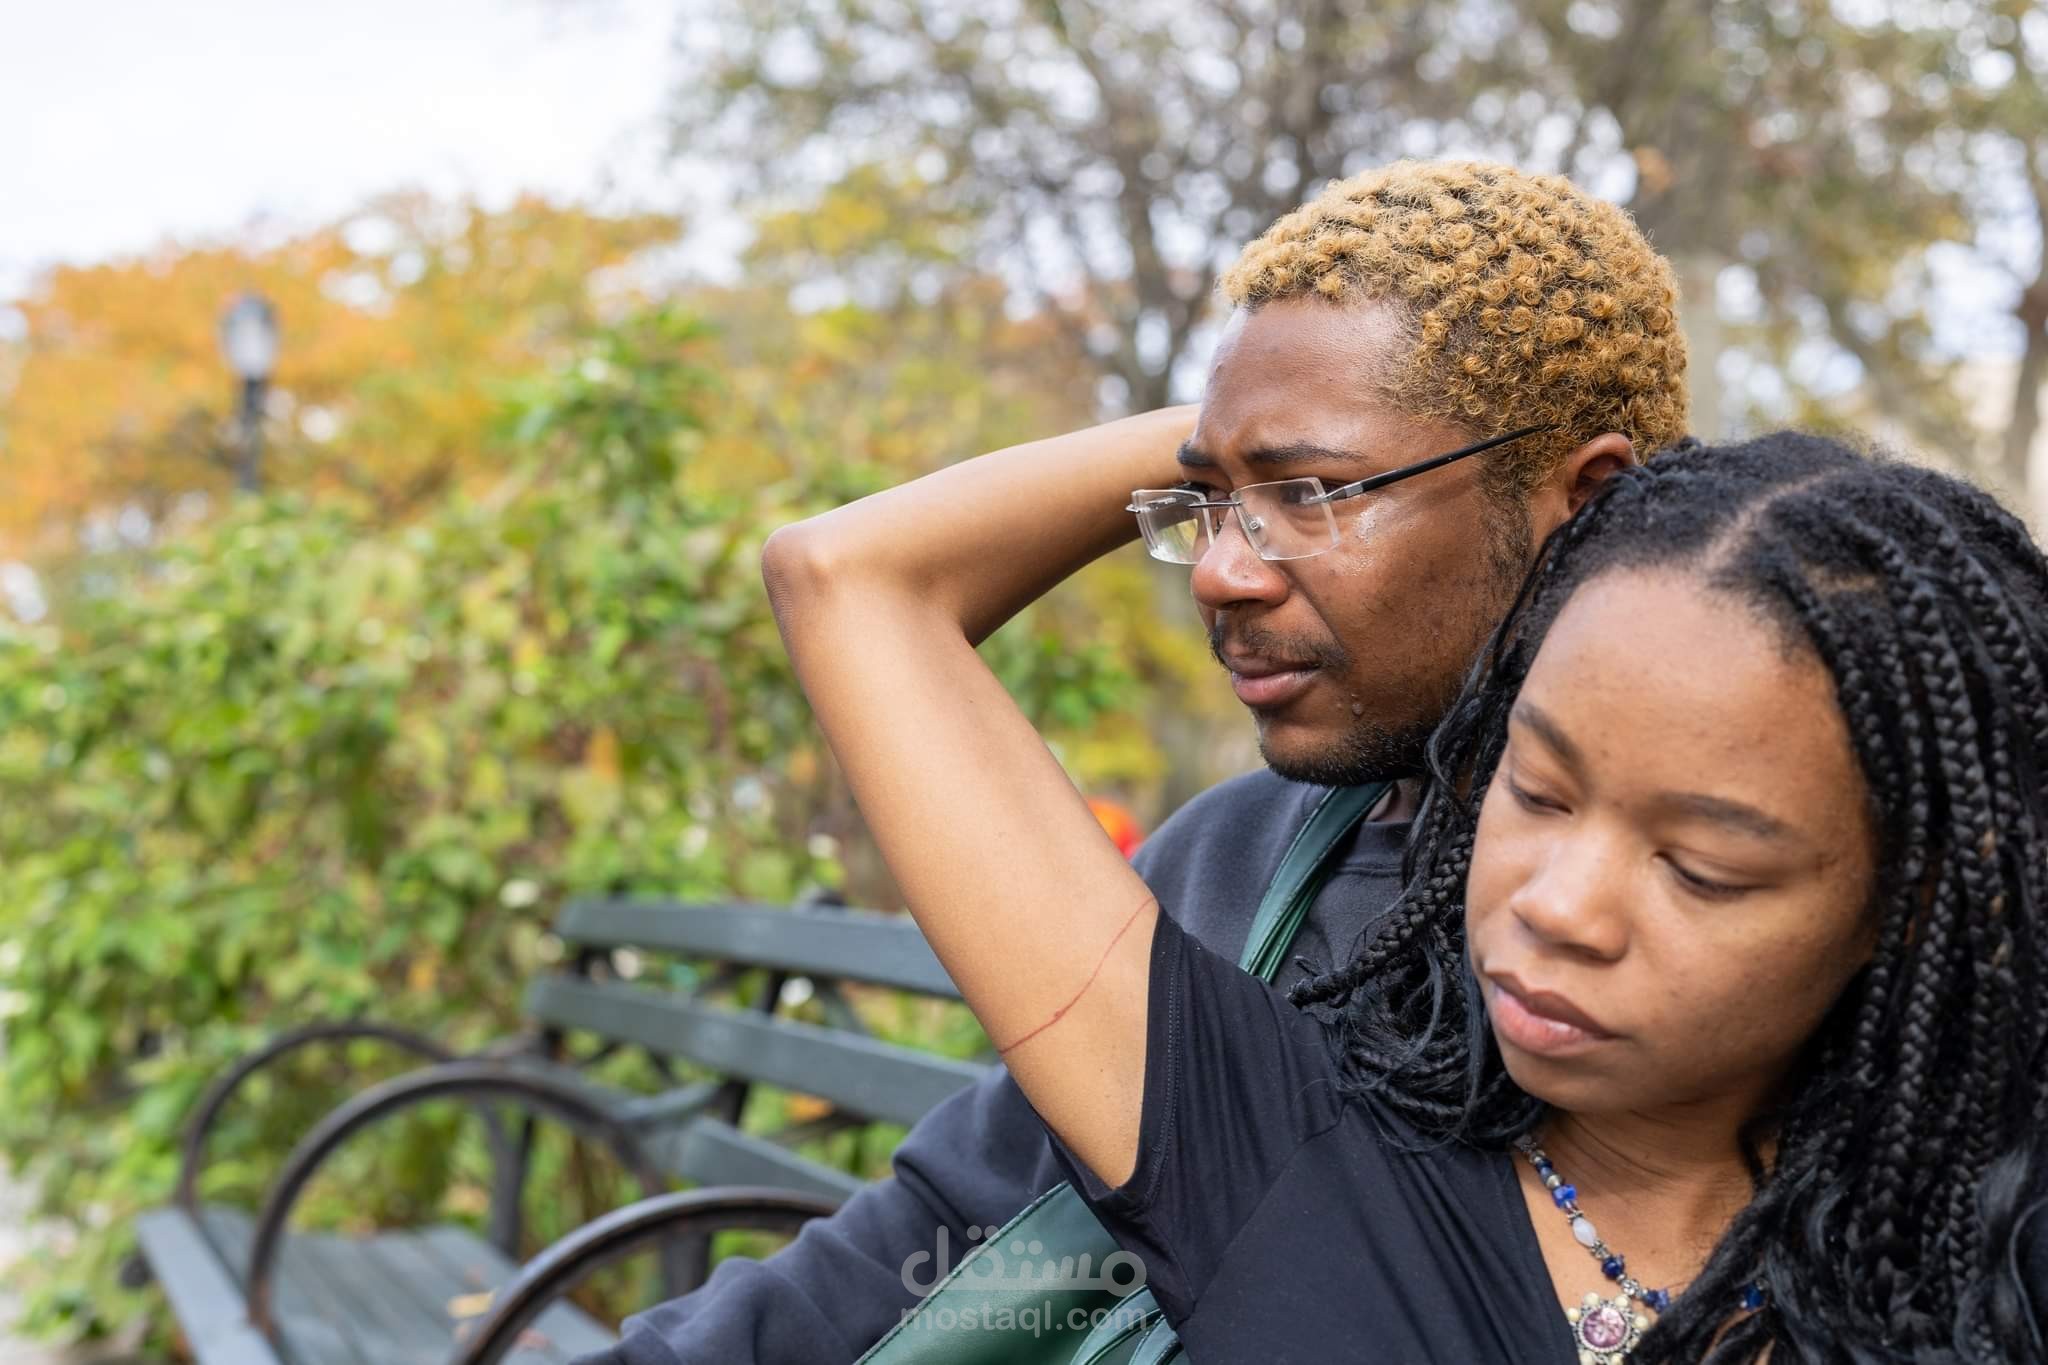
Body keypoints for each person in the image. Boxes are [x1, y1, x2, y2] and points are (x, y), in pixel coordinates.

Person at [592, 159, 1689, 1364]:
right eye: (1202, 499)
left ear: (1585, 500)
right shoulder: (1237, 851)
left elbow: (852, 577)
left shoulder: (1625, 953)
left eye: (1314, 492)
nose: (1221, 570)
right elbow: (952, 1218)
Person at [766, 427, 2048, 1361]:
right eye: (1533, 794)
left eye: (1698, 867)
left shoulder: (1985, 1265)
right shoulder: (1264, 1143)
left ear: (1918, 900)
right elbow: (848, 580)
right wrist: (1292, 440)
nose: (1558, 907)